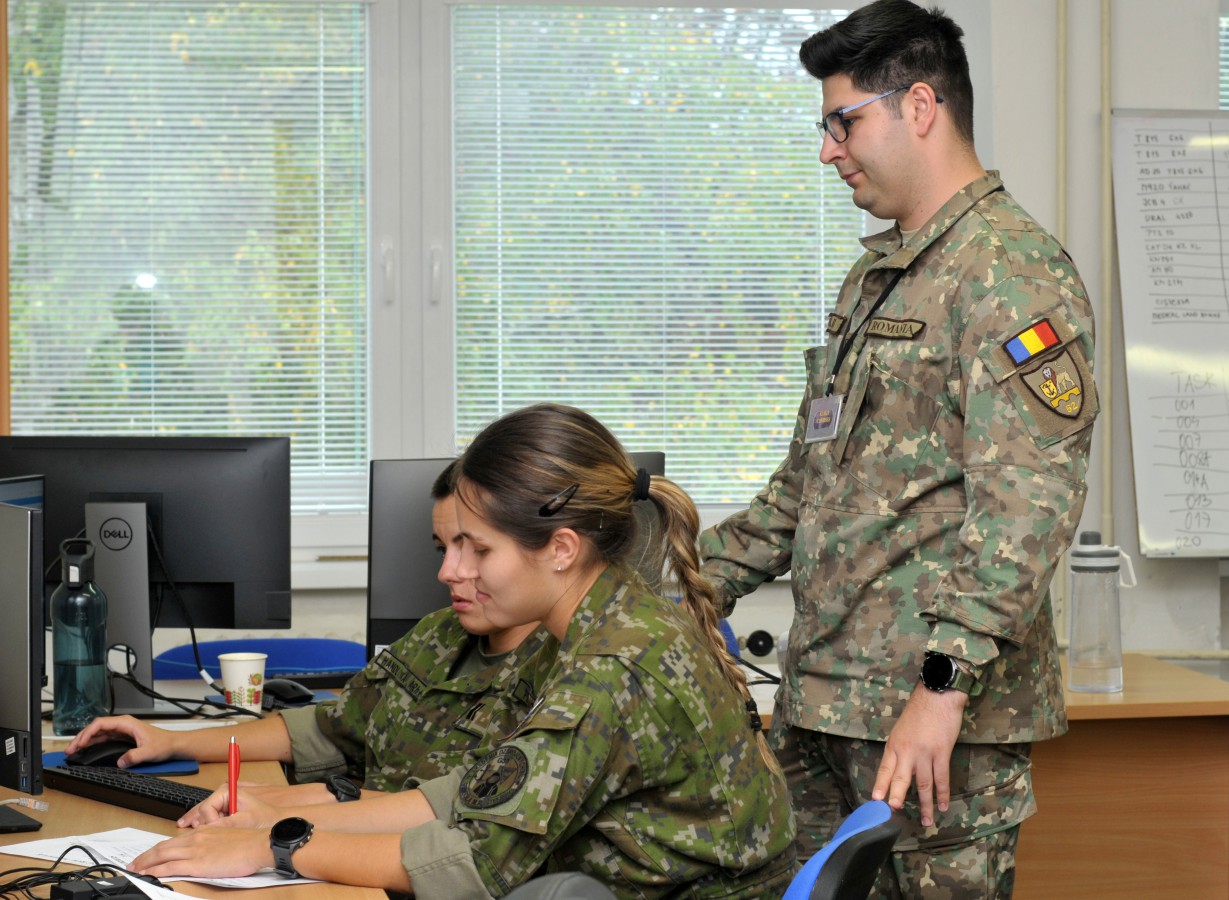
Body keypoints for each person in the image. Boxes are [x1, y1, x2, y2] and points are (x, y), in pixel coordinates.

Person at [699, 3, 1099, 897]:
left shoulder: (1010, 275)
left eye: (842, 123)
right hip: (823, 707)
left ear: (918, 106)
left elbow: (1025, 512)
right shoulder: (877, 278)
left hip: (931, 726)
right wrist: (677, 588)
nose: (827, 151)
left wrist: (940, 689)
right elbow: (805, 489)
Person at [130, 403, 798, 900]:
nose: (451, 571)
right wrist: (289, 817)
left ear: (561, 549)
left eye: (477, 549)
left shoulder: (610, 667)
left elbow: (470, 863)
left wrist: (278, 847)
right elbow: (476, 794)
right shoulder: (599, 621)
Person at [63, 459, 553, 809]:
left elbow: (452, 817)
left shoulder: (565, 675)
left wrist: (287, 809)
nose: (447, 572)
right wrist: (173, 742)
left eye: (476, 550)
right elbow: (330, 727)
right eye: (442, 549)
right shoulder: (440, 634)